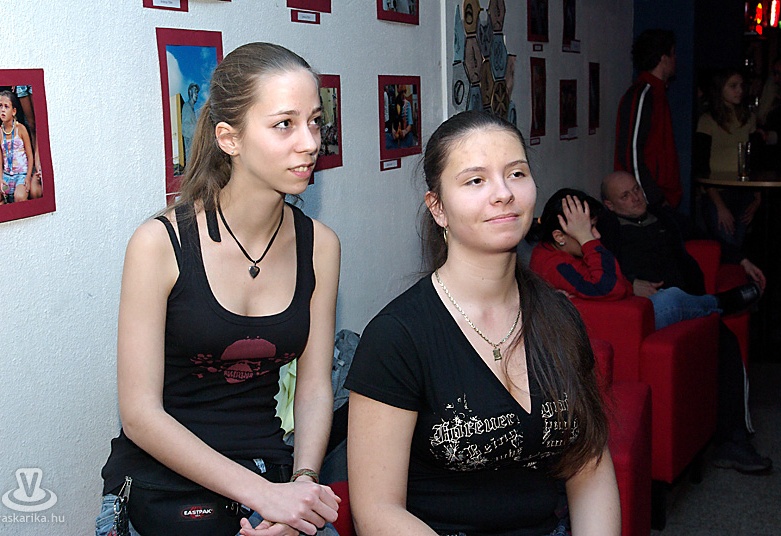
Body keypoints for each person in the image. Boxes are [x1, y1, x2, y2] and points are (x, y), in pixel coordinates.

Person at [97, 43, 342, 536]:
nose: (309, 142)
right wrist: (266, 497)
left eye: (315, 121)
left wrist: (302, 487)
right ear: (230, 138)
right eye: (284, 124)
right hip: (164, 480)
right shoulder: (160, 244)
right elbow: (140, 414)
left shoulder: (320, 245)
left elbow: (315, 387)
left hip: (268, 469)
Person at [346, 111, 620, 536]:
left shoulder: (560, 316)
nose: (504, 193)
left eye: (516, 174)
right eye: (476, 180)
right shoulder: (397, 337)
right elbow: (376, 511)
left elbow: (589, 467)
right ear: (438, 208)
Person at [599, 171, 772, 474]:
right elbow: (597, 271)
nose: (636, 198)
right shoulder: (607, 229)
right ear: (610, 205)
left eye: (636, 190)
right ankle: (721, 303)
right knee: (676, 300)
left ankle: (734, 443)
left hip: (691, 309)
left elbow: (707, 237)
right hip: (654, 314)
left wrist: (742, 260)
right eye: (625, 196)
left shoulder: (664, 218)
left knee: (725, 342)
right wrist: (631, 282)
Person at [528, 188, 738, 331]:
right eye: (588, 230)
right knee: (670, 301)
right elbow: (609, 287)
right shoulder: (554, 264)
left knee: (671, 296)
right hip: (620, 322)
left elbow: (617, 281)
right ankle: (719, 303)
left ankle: (717, 305)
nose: (596, 236)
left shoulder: (563, 251)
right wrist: (586, 240)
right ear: (559, 237)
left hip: (626, 311)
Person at [695, 70, 762, 250]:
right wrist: (719, 205)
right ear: (720, 88)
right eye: (733, 86)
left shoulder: (748, 118)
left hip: (744, 191)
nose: (739, 90)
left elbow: (754, 160)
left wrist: (757, 198)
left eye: (741, 86)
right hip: (717, 191)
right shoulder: (708, 120)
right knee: (727, 245)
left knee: (737, 245)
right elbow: (701, 165)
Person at [614, 29, 682, 208]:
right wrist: (651, 198)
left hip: (660, 197)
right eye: (672, 53)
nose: (676, 58)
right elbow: (630, 153)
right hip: (648, 201)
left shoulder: (657, 93)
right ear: (663, 58)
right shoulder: (643, 95)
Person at [0, 90, 32, 206]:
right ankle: (4, 202)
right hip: (6, 176)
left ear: (14, 111)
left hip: (21, 175)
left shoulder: (21, 129)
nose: (2, 110)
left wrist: (28, 177)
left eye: (6, 106)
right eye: (0, 106)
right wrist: (1, 180)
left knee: (19, 197)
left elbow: (30, 156)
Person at [181, 82, 200, 168]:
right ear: (190, 92)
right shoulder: (186, 106)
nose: (196, 94)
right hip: (190, 154)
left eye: (197, 92)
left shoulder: (192, 110)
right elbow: (185, 128)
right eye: (195, 91)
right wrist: (199, 130)